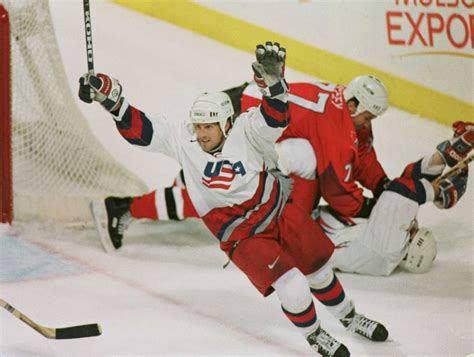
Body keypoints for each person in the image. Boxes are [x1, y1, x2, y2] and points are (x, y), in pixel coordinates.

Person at [80, 42, 389, 356]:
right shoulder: (183, 139)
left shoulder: (246, 129)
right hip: (242, 235)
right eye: (199, 126)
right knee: (292, 285)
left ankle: (350, 317)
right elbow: (143, 130)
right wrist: (112, 102)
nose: (202, 134)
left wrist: (274, 86)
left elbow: (277, 118)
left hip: (278, 211)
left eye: (210, 127)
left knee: (320, 270)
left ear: (227, 123)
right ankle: (315, 335)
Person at [93, 76, 473, 277]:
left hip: (248, 118)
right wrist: (376, 204)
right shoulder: (339, 128)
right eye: (368, 117)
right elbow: (339, 190)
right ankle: (125, 207)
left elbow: (361, 158)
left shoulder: (346, 112)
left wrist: (382, 187)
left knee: (282, 186)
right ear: (356, 104)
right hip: (237, 124)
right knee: (219, 195)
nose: (368, 124)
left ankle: (177, 187)